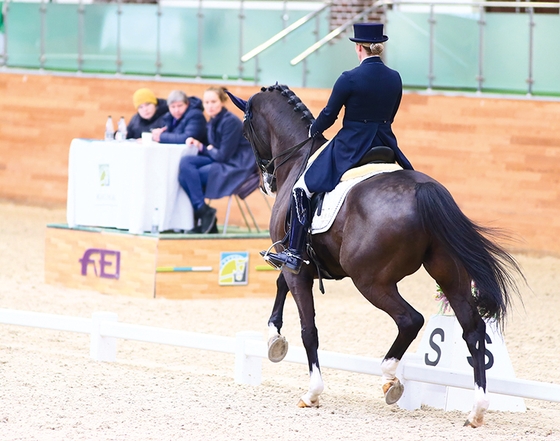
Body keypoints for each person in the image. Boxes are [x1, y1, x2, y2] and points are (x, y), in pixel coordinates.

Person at [267, 22, 414, 274]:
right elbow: (392, 112)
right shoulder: (395, 77)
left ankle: (293, 252)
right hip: (385, 143)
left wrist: (314, 130)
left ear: (359, 48)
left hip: (351, 144)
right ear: (379, 47)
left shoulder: (349, 78)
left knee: (302, 187)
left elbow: (329, 115)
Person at [178, 86, 257, 234]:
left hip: (236, 165)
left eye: (213, 101)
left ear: (222, 102)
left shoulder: (231, 122)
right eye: (206, 102)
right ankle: (204, 211)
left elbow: (222, 156)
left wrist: (204, 147)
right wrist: (204, 147)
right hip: (221, 160)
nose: (209, 106)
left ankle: (202, 213)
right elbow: (214, 150)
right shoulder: (213, 120)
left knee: (187, 176)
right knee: (186, 163)